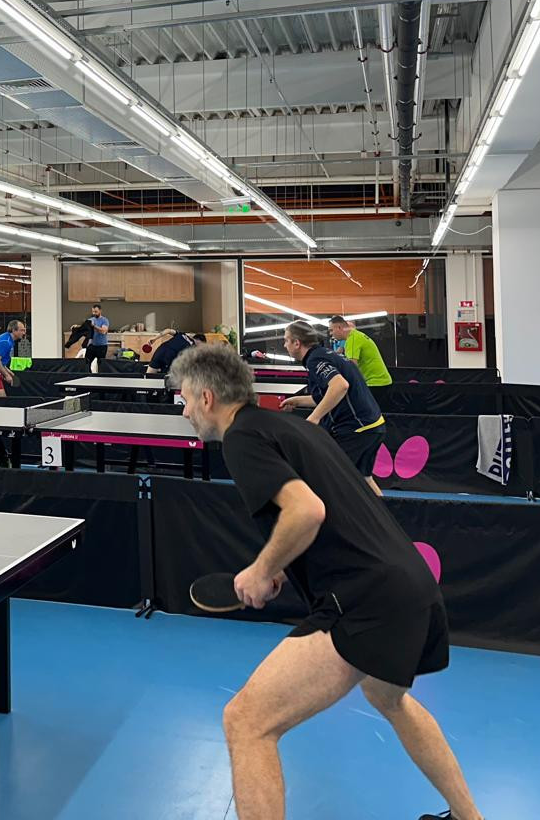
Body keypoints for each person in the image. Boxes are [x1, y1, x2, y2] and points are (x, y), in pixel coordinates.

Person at [169, 343, 482, 820]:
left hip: (365, 600)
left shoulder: (242, 439)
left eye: (186, 399)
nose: (186, 411)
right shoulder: (294, 426)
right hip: (411, 584)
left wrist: (261, 570)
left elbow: (307, 511)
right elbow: (335, 509)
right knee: (388, 698)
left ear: (207, 397)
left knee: (247, 721)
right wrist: (280, 564)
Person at [280, 321, 387, 493]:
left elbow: (340, 386)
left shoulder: (315, 359)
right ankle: (383, 511)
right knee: (363, 479)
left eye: (286, 340)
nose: (284, 345)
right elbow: (330, 396)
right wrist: (297, 401)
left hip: (356, 428)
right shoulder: (325, 354)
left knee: (328, 477)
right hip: (373, 426)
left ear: (297, 343)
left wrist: (313, 418)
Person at [329, 315, 394, 413]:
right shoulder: (355, 336)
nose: (331, 334)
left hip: (375, 383)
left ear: (339, 328)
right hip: (380, 382)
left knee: (362, 413)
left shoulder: (352, 340)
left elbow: (351, 368)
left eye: (331, 330)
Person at [86, 304, 112, 372]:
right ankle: (89, 376)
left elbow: (103, 331)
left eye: (96, 311)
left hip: (102, 346)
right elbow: (84, 326)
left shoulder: (104, 320)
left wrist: (94, 326)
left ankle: (100, 377)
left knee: (101, 365)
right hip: (92, 345)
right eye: (93, 311)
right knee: (86, 363)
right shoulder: (90, 320)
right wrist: (76, 327)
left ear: (100, 311)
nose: (94, 313)